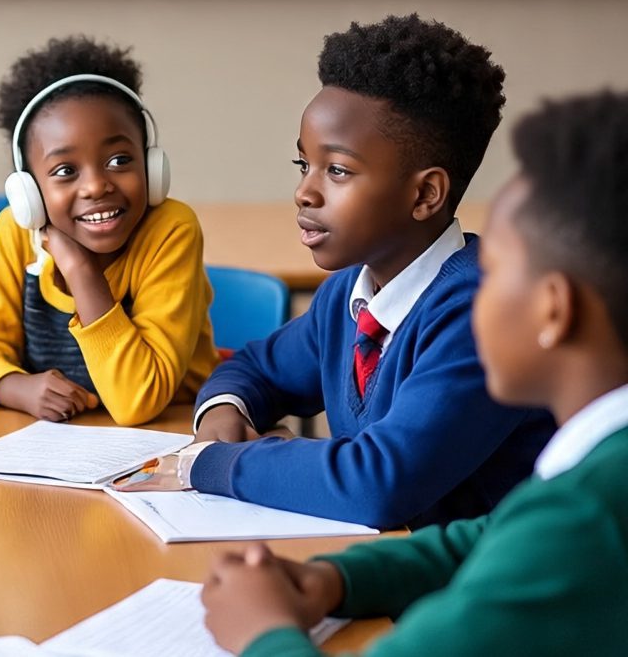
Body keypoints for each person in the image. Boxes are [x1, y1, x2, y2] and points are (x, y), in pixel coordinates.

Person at [201, 90, 628, 657]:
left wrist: (262, 633)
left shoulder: (583, 518)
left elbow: (395, 487)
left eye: (494, 271)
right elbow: (489, 537)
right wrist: (337, 580)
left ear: (553, 310)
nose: (477, 290)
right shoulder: (593, 477)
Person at [0, 36, 220, 425]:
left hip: (172, 427)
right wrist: (17, 387)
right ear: (30, 192)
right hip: (60, 438)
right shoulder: (14, 231)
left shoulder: (171, 230)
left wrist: (80, 270)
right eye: (65, 170)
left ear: (152, 167)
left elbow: (138, 400)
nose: (95, 186)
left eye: (119, 160)